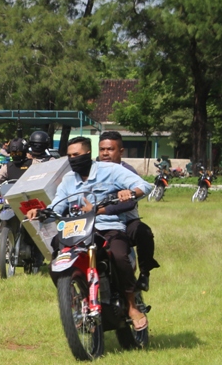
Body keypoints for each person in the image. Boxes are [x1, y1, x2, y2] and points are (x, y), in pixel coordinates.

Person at [27, 136, 152, 330]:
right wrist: (42, 213)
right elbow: (58, 206)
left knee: (119, 255)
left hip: (108, 226)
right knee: (55, 262)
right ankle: (77, 303)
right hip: (77, 230)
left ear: (88, 154)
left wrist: (130, 192)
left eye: (76, 155)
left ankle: (131, 305)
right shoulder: (68, 179)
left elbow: (145, 186)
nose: (72, 159)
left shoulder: (111, 171)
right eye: (69, 156)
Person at [96, 131, 160, 291]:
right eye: (102, 149)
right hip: (96, 220)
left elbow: (130, 202)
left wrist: (105, 209)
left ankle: (144, 274)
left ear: (121, 151)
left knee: (143, 232)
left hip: (126, 220)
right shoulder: (91, 169)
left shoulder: (127, 171)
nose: (105, 153)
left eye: (110, 149)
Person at [0, 138, 33, 241]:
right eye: (13, 152)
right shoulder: (8, 166)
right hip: (11, 202)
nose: (16, 154)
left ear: (24, 152)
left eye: (18, 152)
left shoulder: (32, 164)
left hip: (28, 202)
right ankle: (3, 244)